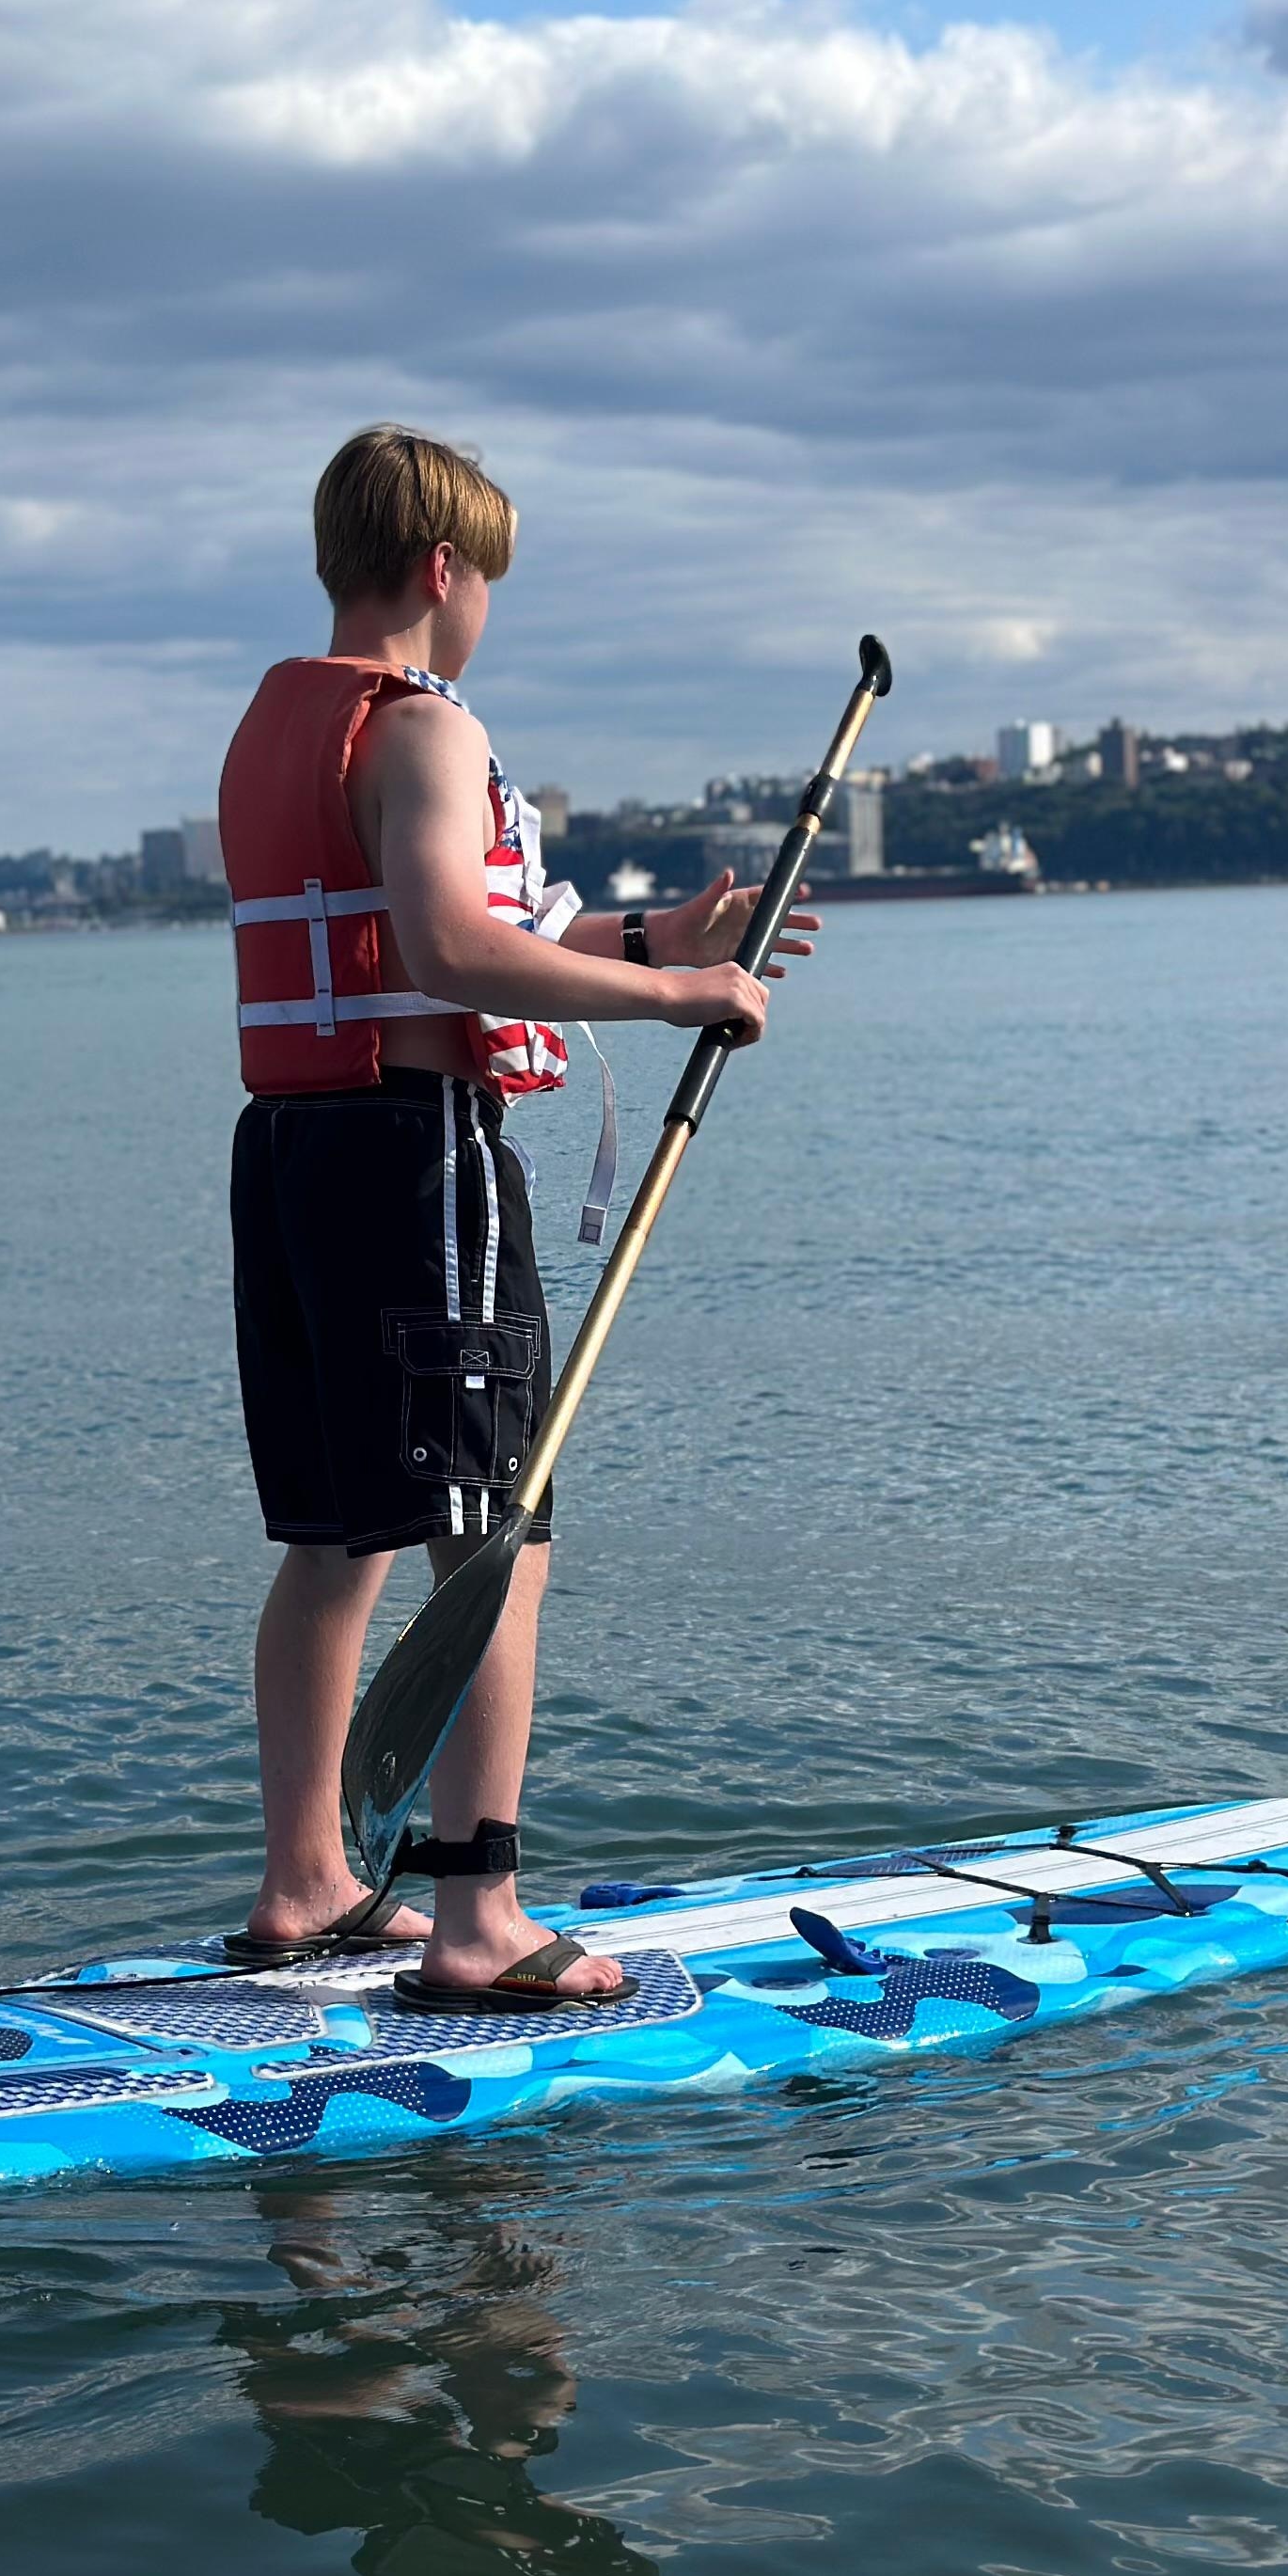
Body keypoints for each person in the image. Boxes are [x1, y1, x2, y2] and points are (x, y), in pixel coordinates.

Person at [219, 424, 809, 2011]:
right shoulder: (418, 729)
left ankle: (305, 1884)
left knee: (337, 1532)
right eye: (489, 584)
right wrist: (677, 986)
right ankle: (480, 1921)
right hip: (420, 1159)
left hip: (290, 1153)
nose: (486, 616)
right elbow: (453, 948)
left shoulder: (278, 725)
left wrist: (639, 928)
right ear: (443, 571)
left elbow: (434, 925)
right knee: (499, 1528)